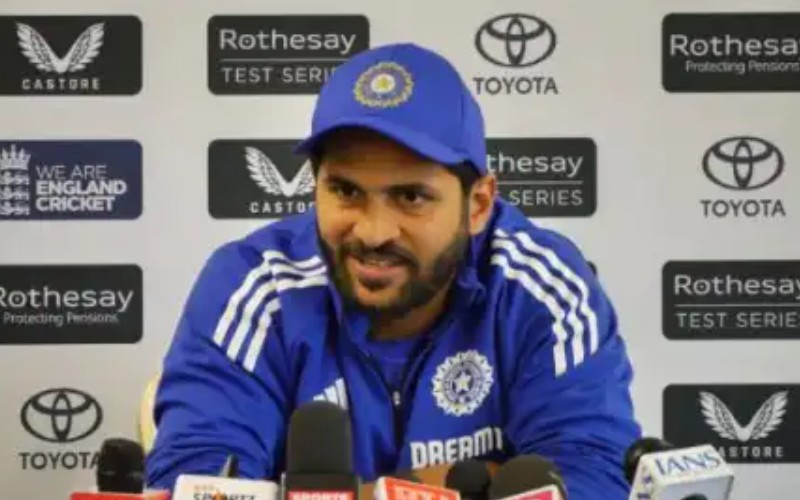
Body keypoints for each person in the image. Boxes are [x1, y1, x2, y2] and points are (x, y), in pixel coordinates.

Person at [144, 42, 642, 499]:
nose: (373, 232)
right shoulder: (254, 283)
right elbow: (199, 483)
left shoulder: (540, 286)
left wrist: (353, 494)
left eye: (411, 197)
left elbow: (591, 477)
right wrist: (461, 486)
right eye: (345, 191)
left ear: (478, 204)